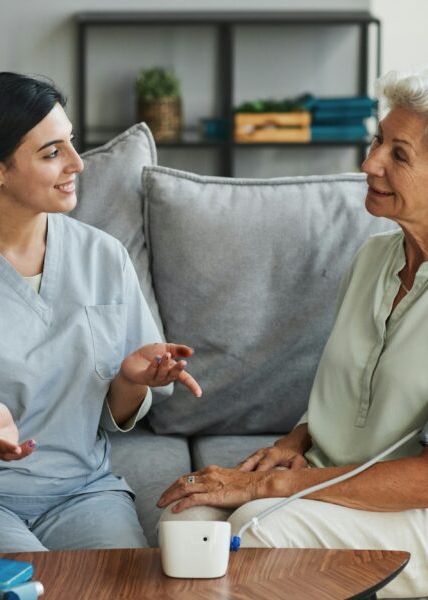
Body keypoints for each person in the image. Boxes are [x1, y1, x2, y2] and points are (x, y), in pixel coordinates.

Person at [158, 67, 428, 599]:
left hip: (409, 509)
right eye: (378, 141)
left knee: (258, 531)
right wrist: (295, 441)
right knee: (185, 524)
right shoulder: (374, 258)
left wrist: (275, 485)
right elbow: (350, 389)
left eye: (399, 155)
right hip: (327, 479)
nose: (369, 163)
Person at [0, 71, 201, 556]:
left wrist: (131, 380)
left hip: (85, 494)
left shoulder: (104, 256)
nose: (77, 164)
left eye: (71, 143)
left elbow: (112, 415)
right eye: (52, 152)